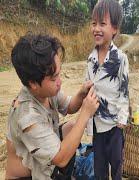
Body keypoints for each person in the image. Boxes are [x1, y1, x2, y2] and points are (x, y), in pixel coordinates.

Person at [5, 34, 99, 179]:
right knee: (68, 151)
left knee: (73, 127)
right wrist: (85, 114)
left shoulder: (45, 91)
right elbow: (60, 159)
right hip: (29, 176)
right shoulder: (27, 117)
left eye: (58, 74)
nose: (59, 82)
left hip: (42, 160)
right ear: (33, 83)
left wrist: (81, 95)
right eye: (54, 78)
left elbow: (68, 107)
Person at [85, 0, 129, 179]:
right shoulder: (90, 59)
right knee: (99, 167)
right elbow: (87, 88)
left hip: (114, 125)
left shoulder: (120, 58)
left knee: (117, 165)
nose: (96, 28)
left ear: (115, 29)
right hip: (97, 125)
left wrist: (122, 117)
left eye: (102, 24)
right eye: (94, 23)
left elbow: (124, 90)